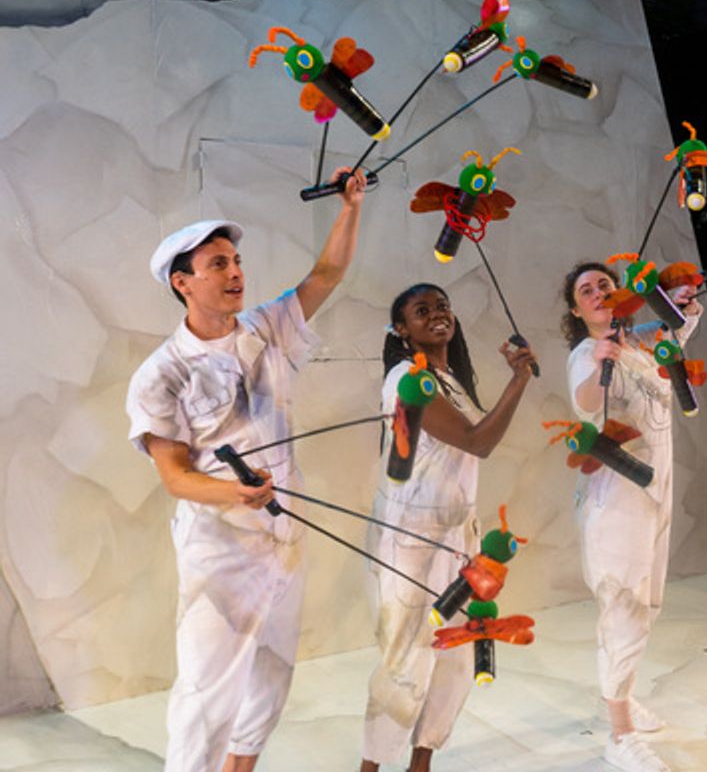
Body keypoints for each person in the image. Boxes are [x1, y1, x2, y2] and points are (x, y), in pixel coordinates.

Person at [125, 168, 367, 772]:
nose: (235, 273)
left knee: (272, 677)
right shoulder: (162, 373)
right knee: (208, 696)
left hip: (285, 533)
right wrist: (234, 493)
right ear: (183, 283)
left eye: (235, 260)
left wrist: (351, 207)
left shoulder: (266, 327)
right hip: (220, 548)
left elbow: (326, 275)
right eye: (217, 265)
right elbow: (176, 478)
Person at [360, 283, 537, 772]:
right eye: (422, 310)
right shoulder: (405, 377)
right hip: (411, 539)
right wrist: (519, 380)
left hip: (459, 539)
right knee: (406, 664)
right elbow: (476, 442)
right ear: (402, 329)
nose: (437, 314)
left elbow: (469, 445)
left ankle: (421, 764)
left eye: (442, 306)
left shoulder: (450, 378)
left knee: (455, 658)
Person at [561, 261, 702, 772]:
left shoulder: (641, 339)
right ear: (576, 310)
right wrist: (602, 359)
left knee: (649, 602)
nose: (598, 292)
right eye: (586, 290)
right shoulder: (585, 353)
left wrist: (682, 295)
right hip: (616, 497)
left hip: (656, 491)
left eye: (604, 284)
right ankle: (618, 735)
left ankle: (621, 695)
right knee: (624, 605)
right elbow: (585, 404)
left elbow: (680, 323)